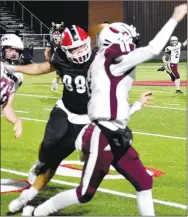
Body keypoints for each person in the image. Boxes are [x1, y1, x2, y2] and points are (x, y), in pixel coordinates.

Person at [19, 3, 187, 216]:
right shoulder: (112, 61)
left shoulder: (102, 61)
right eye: (125, 40)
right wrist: (175, 18)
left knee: (144, 182)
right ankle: (37, 212)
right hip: (104, 135)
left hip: (114, 133)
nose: (130, 44)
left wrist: (135, 106)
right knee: (84, 193)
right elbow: (153, 49)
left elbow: (110, 103)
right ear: (114, 43)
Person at [7, 25, 98, 213]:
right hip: (65, 109)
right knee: (49, 143)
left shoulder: (100, 58)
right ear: (65, 50)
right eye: (74, 49)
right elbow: (40, 68)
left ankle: (28, 196)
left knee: (57, 157)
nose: (80, 52)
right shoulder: (61, 58)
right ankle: (39, 163)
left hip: (86, 118)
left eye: (82, 46)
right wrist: (13, 67)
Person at [0, 34, 24, 138]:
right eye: (10, 50)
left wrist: (16, 120)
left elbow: (7, 107)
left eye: (17, 51)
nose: (14, 54)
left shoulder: (18, 76)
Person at [45, 22, 64, 92]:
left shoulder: (59, 42)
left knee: (61, 73)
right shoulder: (54, 42)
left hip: (58, 59)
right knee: (61, 72)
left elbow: (47, 49)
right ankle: (55, 83)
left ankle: (55, 84)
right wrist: (46, 55)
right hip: (56, 59)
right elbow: (47, 49)